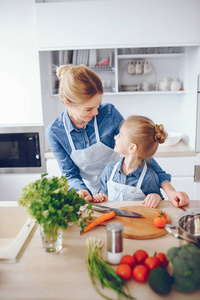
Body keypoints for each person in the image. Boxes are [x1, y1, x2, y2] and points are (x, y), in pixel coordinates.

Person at [46, 64, 189, 208]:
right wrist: (81, 191)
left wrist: (169, 190)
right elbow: (70, 174)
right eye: (89, 109)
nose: (96, 112)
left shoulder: (108, 113)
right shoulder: (55, 132)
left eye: (98, 105)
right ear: (68, 103)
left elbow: (139, 148)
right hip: (93, 195)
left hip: (124, 188)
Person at [93, 116, 175, 207]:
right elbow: (104, 190)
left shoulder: (149, 178)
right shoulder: (109, 170)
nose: (115, 137)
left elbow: (159, 202)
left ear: (132, 148)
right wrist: (102, 196)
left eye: (120, 135)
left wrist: (156, 197)